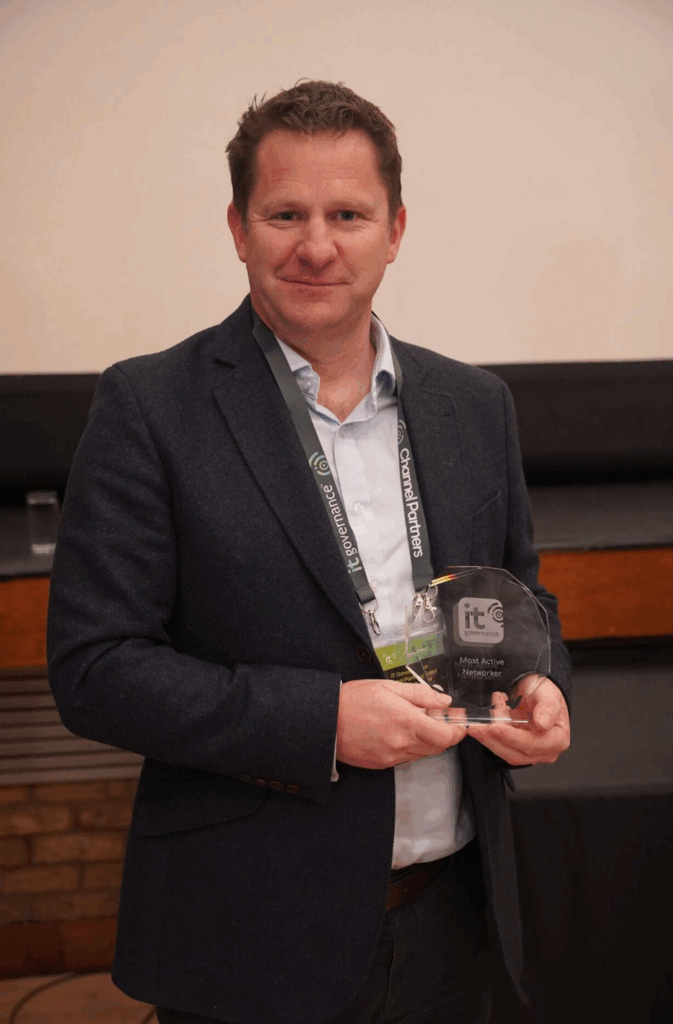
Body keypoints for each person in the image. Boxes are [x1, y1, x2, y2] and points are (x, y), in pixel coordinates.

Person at [47, 80, 571, 1024]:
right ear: (238, 229)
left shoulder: (475, 405)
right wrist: (322, 721)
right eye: (285, 214)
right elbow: (95, 670)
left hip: (454, 923)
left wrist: (544, 684)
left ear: (395, 230)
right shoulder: (149, 408)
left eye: (348, 215)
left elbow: (518, 597)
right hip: (248, 934)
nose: (317, 246)